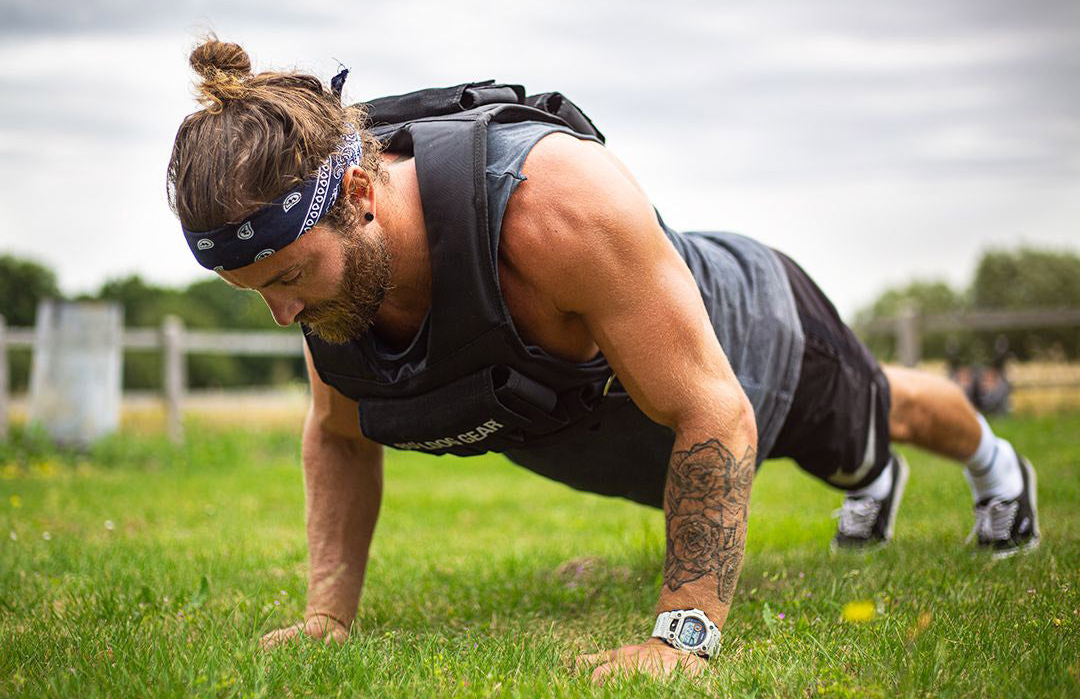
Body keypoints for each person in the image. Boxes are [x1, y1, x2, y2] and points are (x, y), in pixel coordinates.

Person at [167, 39, 1040, 682]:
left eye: (288, 279)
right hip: (616, 423)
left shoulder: (553, 203)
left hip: (757, 338)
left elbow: (715, 412)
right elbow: (340, 435)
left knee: (882, 418)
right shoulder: (338, 282)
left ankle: (995, 473)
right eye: (257, 293)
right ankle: (874, 483)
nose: (283, 314)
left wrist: (682, 637)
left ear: (359, 195)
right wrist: (328, 619)